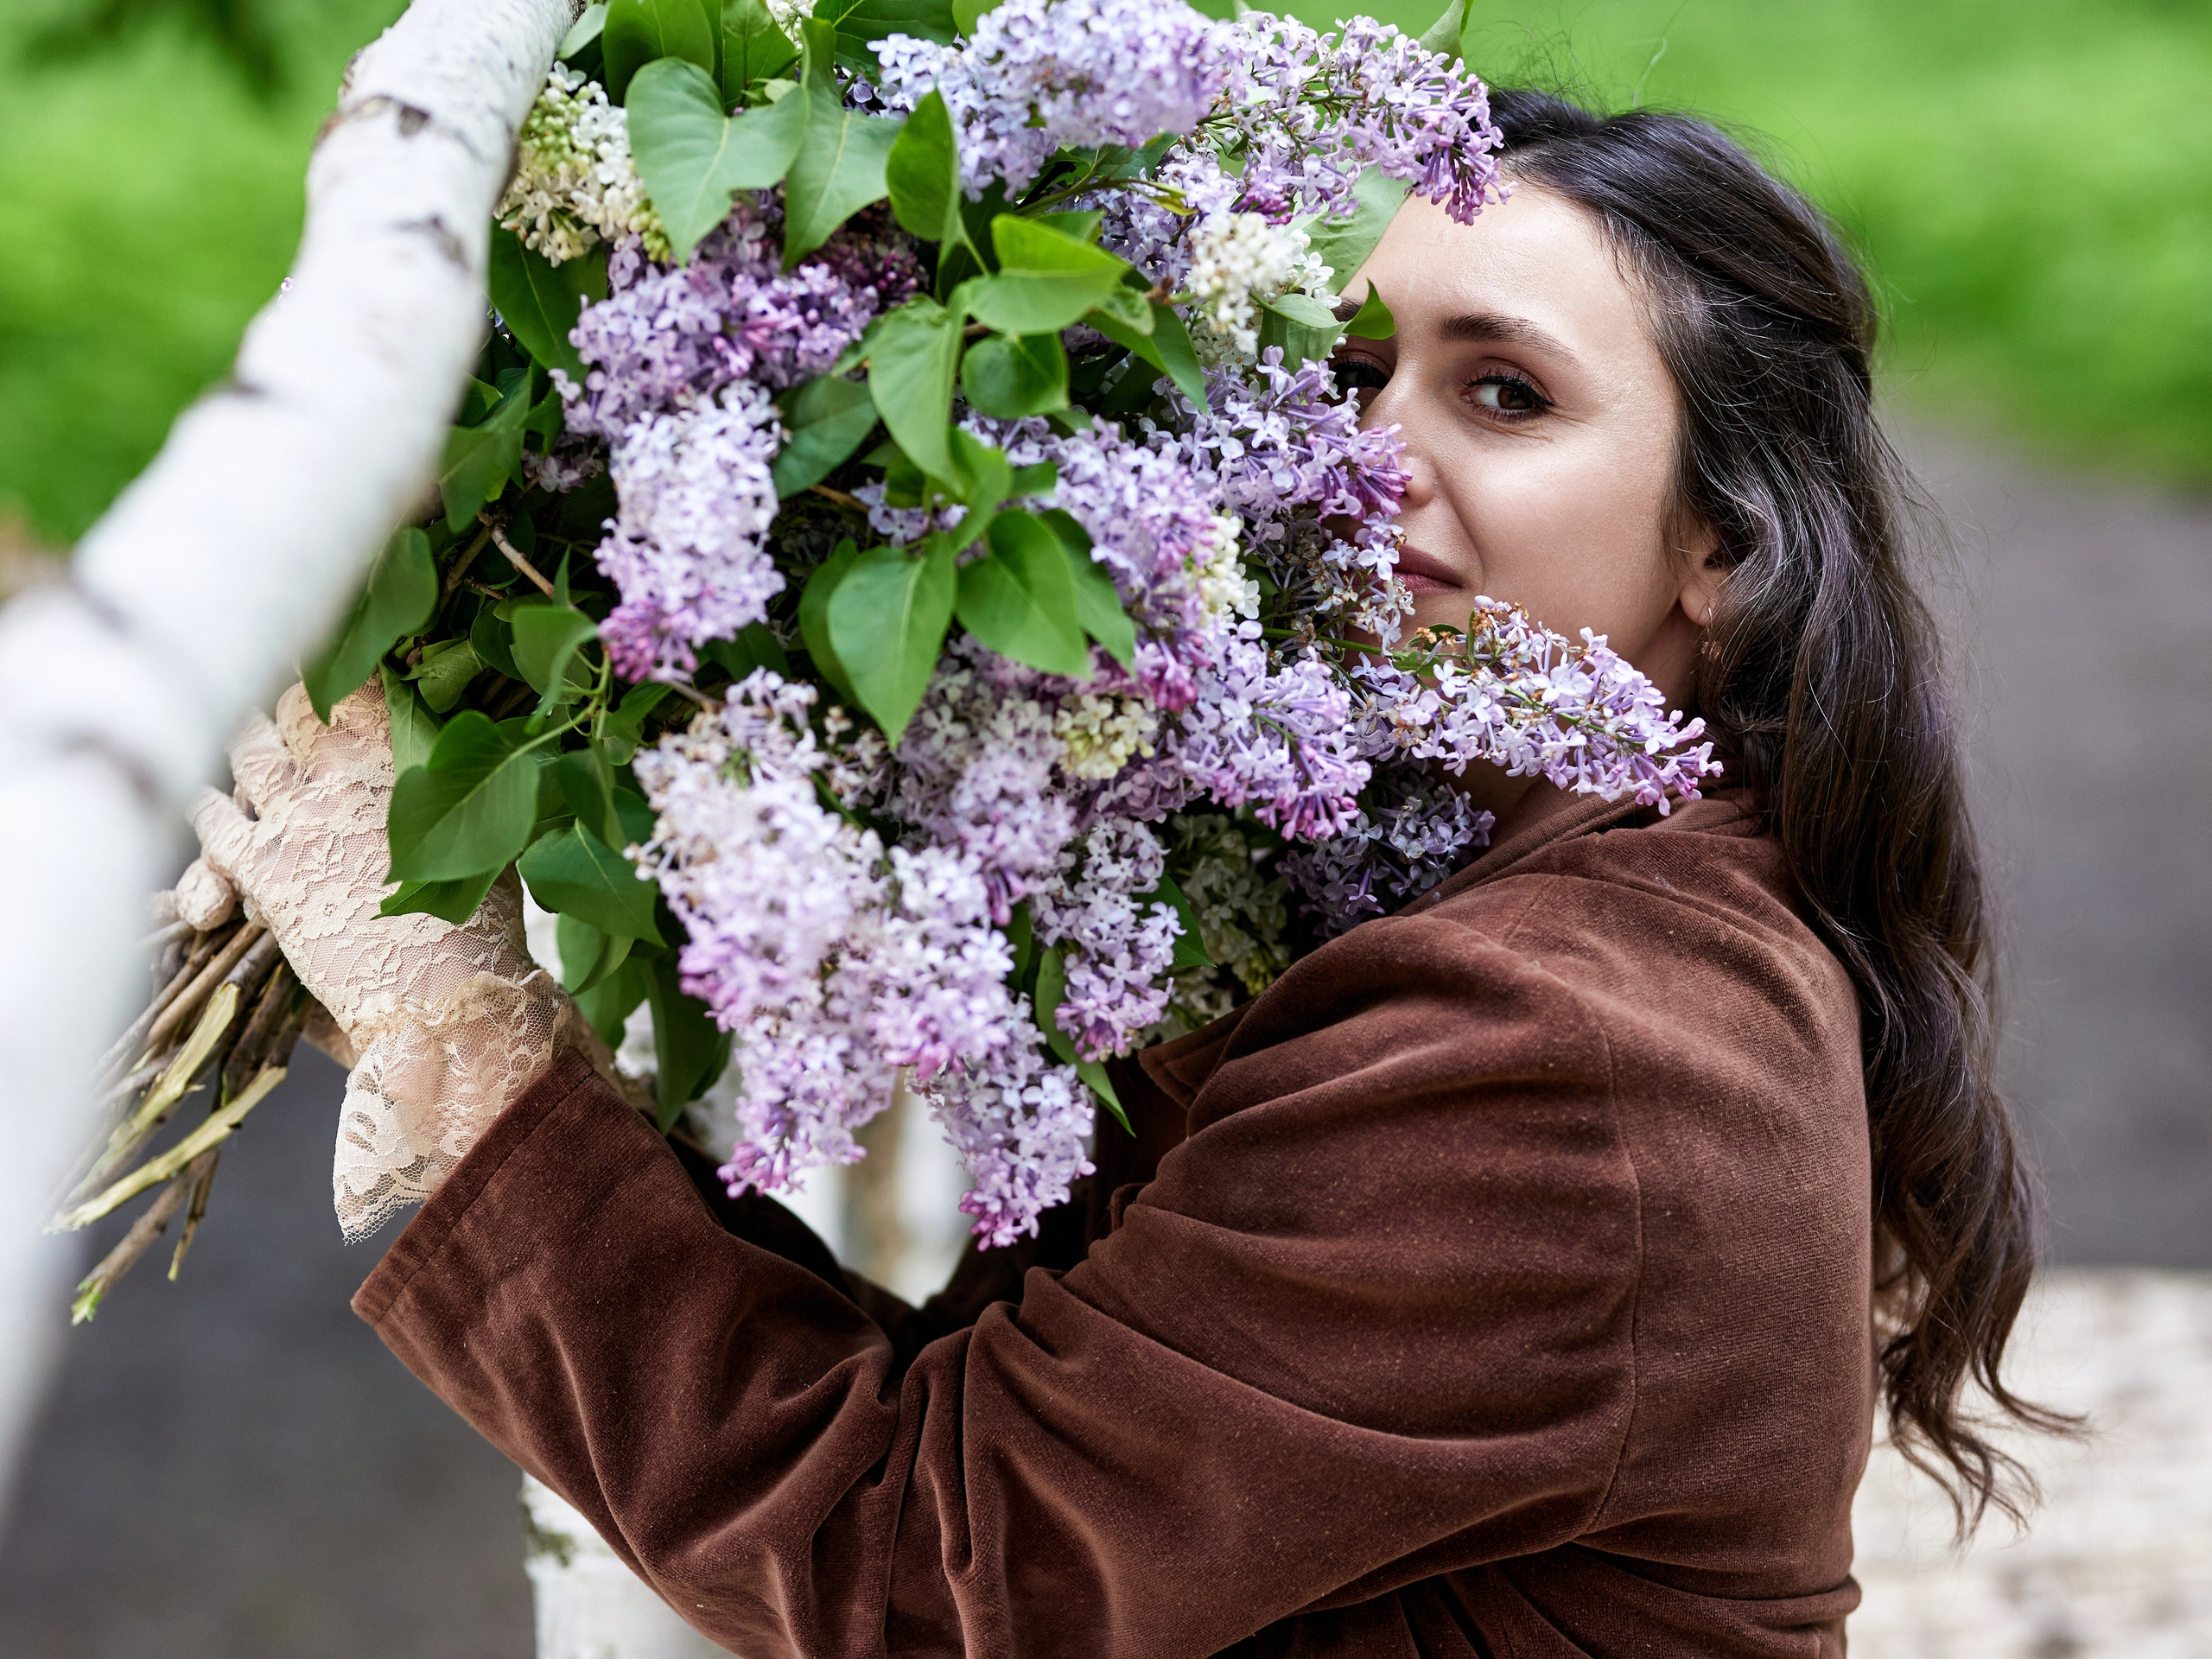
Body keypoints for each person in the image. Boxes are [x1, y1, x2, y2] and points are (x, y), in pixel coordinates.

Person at [183, 91, 2059, 1657]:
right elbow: (1022, 1444)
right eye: (1343, 367)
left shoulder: (1571, 1050)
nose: (1360, 456)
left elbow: (931, 1570)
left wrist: (465, 1043)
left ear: (1720, 551)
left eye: (1501, 397)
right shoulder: (1514, 891)